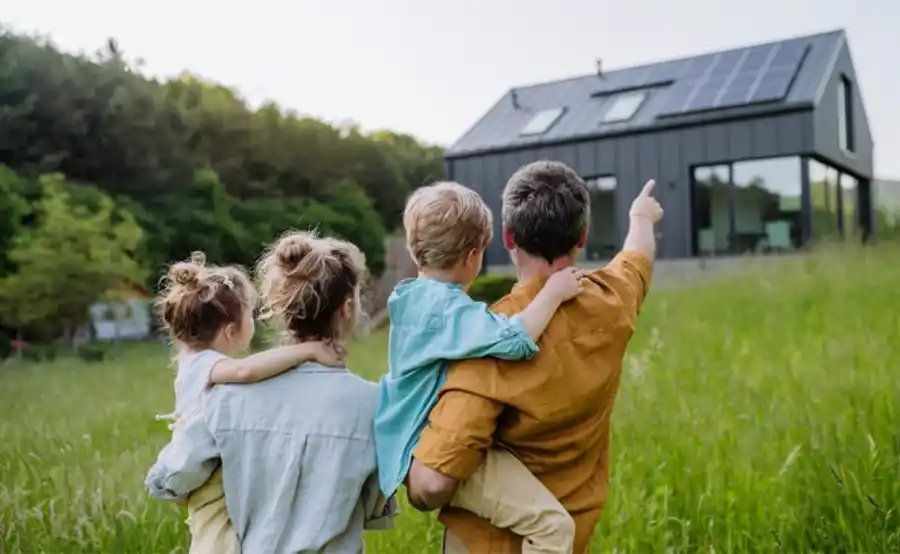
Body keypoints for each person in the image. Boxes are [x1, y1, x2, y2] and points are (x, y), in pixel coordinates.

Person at [406, 161, 664, 554]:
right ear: (583, 236)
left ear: (508, 238)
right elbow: (637, 256)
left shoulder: (487, 340)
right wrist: (641, 215)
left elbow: (431, 485)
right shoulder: (615, 299)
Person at [145, 232, 397, 554]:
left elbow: (170, 480)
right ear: (347, 308)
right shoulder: (376, 405)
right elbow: (377, 504)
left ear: (278, 306)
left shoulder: (224, 398)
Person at [375, 181, 585, 553]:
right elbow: (514, 340)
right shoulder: (448, 311)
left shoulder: (407, 297)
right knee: (553, 528)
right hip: (432, 449)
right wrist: (553, 292)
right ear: (473, 257)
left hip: (413, 447)